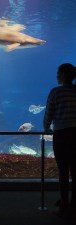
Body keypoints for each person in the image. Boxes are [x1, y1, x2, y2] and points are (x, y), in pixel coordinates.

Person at [44, 63, 76, 218]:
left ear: (63, 74)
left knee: (63, 171)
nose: (57, 75)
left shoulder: (56, 92)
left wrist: (46, 128)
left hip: (62, 135)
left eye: (58, 72)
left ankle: (64, 205)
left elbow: (48, 113)